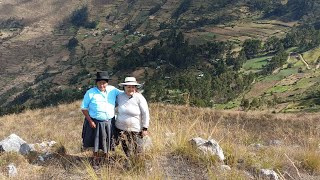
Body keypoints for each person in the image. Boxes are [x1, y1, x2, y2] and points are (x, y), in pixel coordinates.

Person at [81, 71, 122, 166]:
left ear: (107, 83)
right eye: (99, 82)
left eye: (104, 82)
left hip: (109, 122)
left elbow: (124, 94)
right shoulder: (90, 92)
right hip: (95, 121)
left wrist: (134, 92)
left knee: (108, 140)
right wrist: (90, 120)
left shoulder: (113, 90)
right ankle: (95, 159)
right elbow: (84, 108)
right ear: (96, 83)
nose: (102, 85)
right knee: (96, 141)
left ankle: (106, 158)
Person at [115, 77, 150, 159]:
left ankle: (137, 165)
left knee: (138, 149)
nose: (131, 89)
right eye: (128, 87)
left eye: (133, 87)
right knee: (126, 148)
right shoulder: (120, 97)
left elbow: (145, 113)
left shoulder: (139, 97)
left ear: (135, 87)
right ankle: (129, 162)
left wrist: (145, 128)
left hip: (136, 129)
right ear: (124, 87)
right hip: (121, 129)